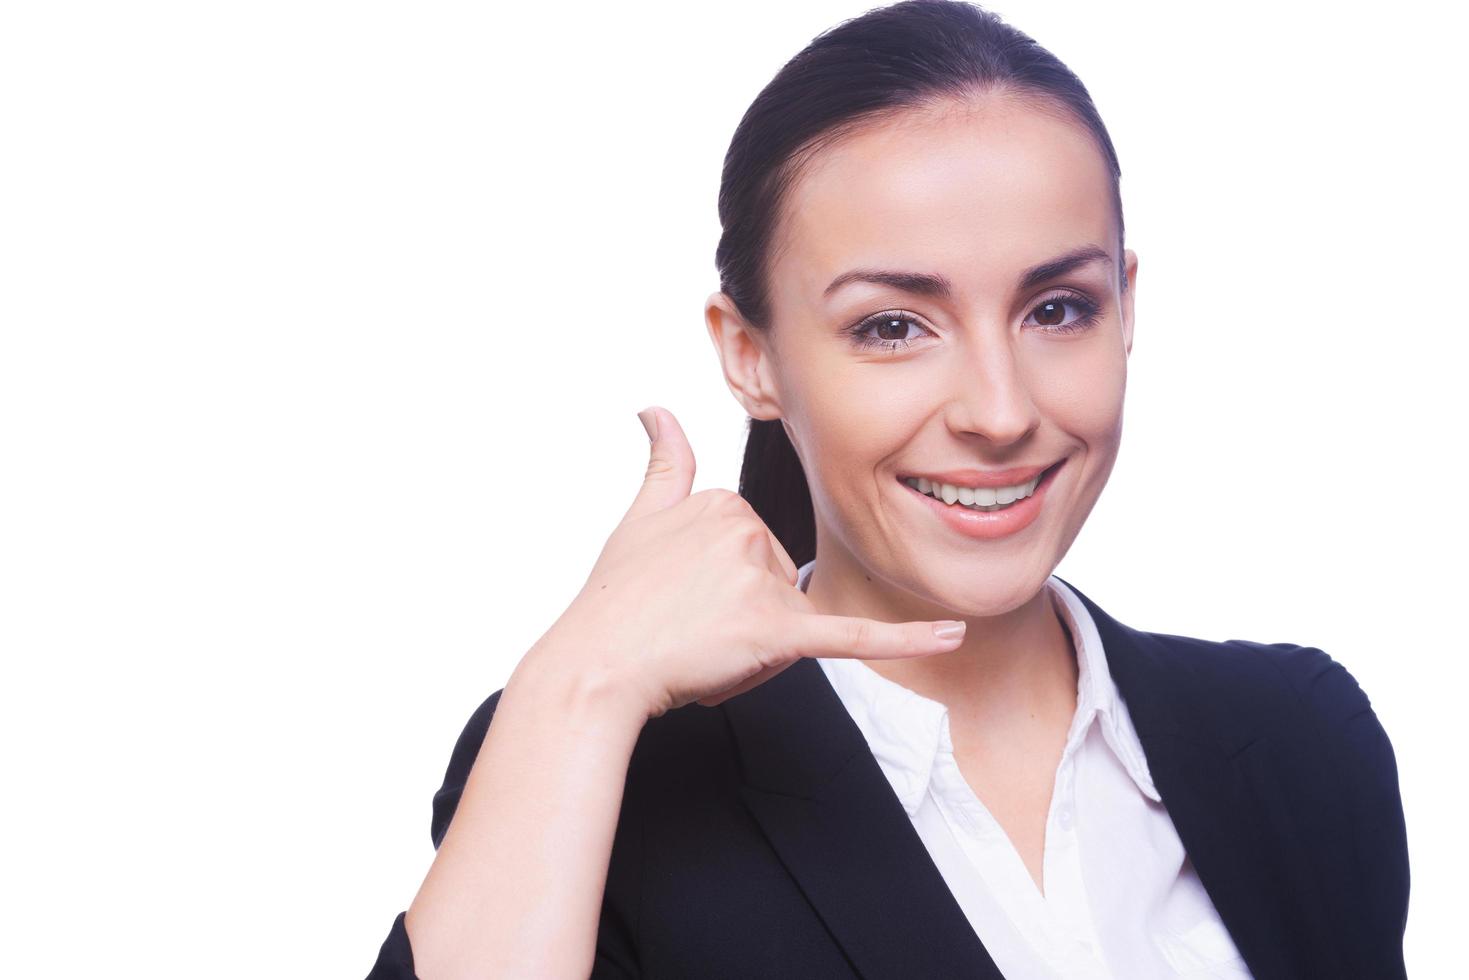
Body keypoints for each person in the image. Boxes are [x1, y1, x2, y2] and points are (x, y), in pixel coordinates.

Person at [365, 2, 1410, 977]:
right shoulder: (605, 773)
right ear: (750, 355)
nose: (998, 412)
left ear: (1123, 306)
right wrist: (581, 679)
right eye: (891, 326)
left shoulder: (1296, 738)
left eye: (1054, 308)